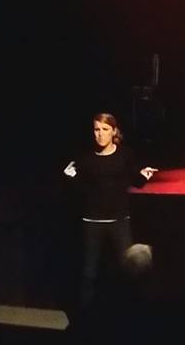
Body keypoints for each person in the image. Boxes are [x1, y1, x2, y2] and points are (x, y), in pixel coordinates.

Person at [63, 112, 158, 309]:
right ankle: (85, 314)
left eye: (105, 129)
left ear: (114, 131)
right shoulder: (86, 159)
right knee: (89, 272)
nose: (100, 134)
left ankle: (132, 311)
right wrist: (70, 177)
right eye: (96, 129)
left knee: (130, 268)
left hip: (119, 220)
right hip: (92, 221)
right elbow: (80, 190)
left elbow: (136, 181)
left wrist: (144, 175)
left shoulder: (125, 155)